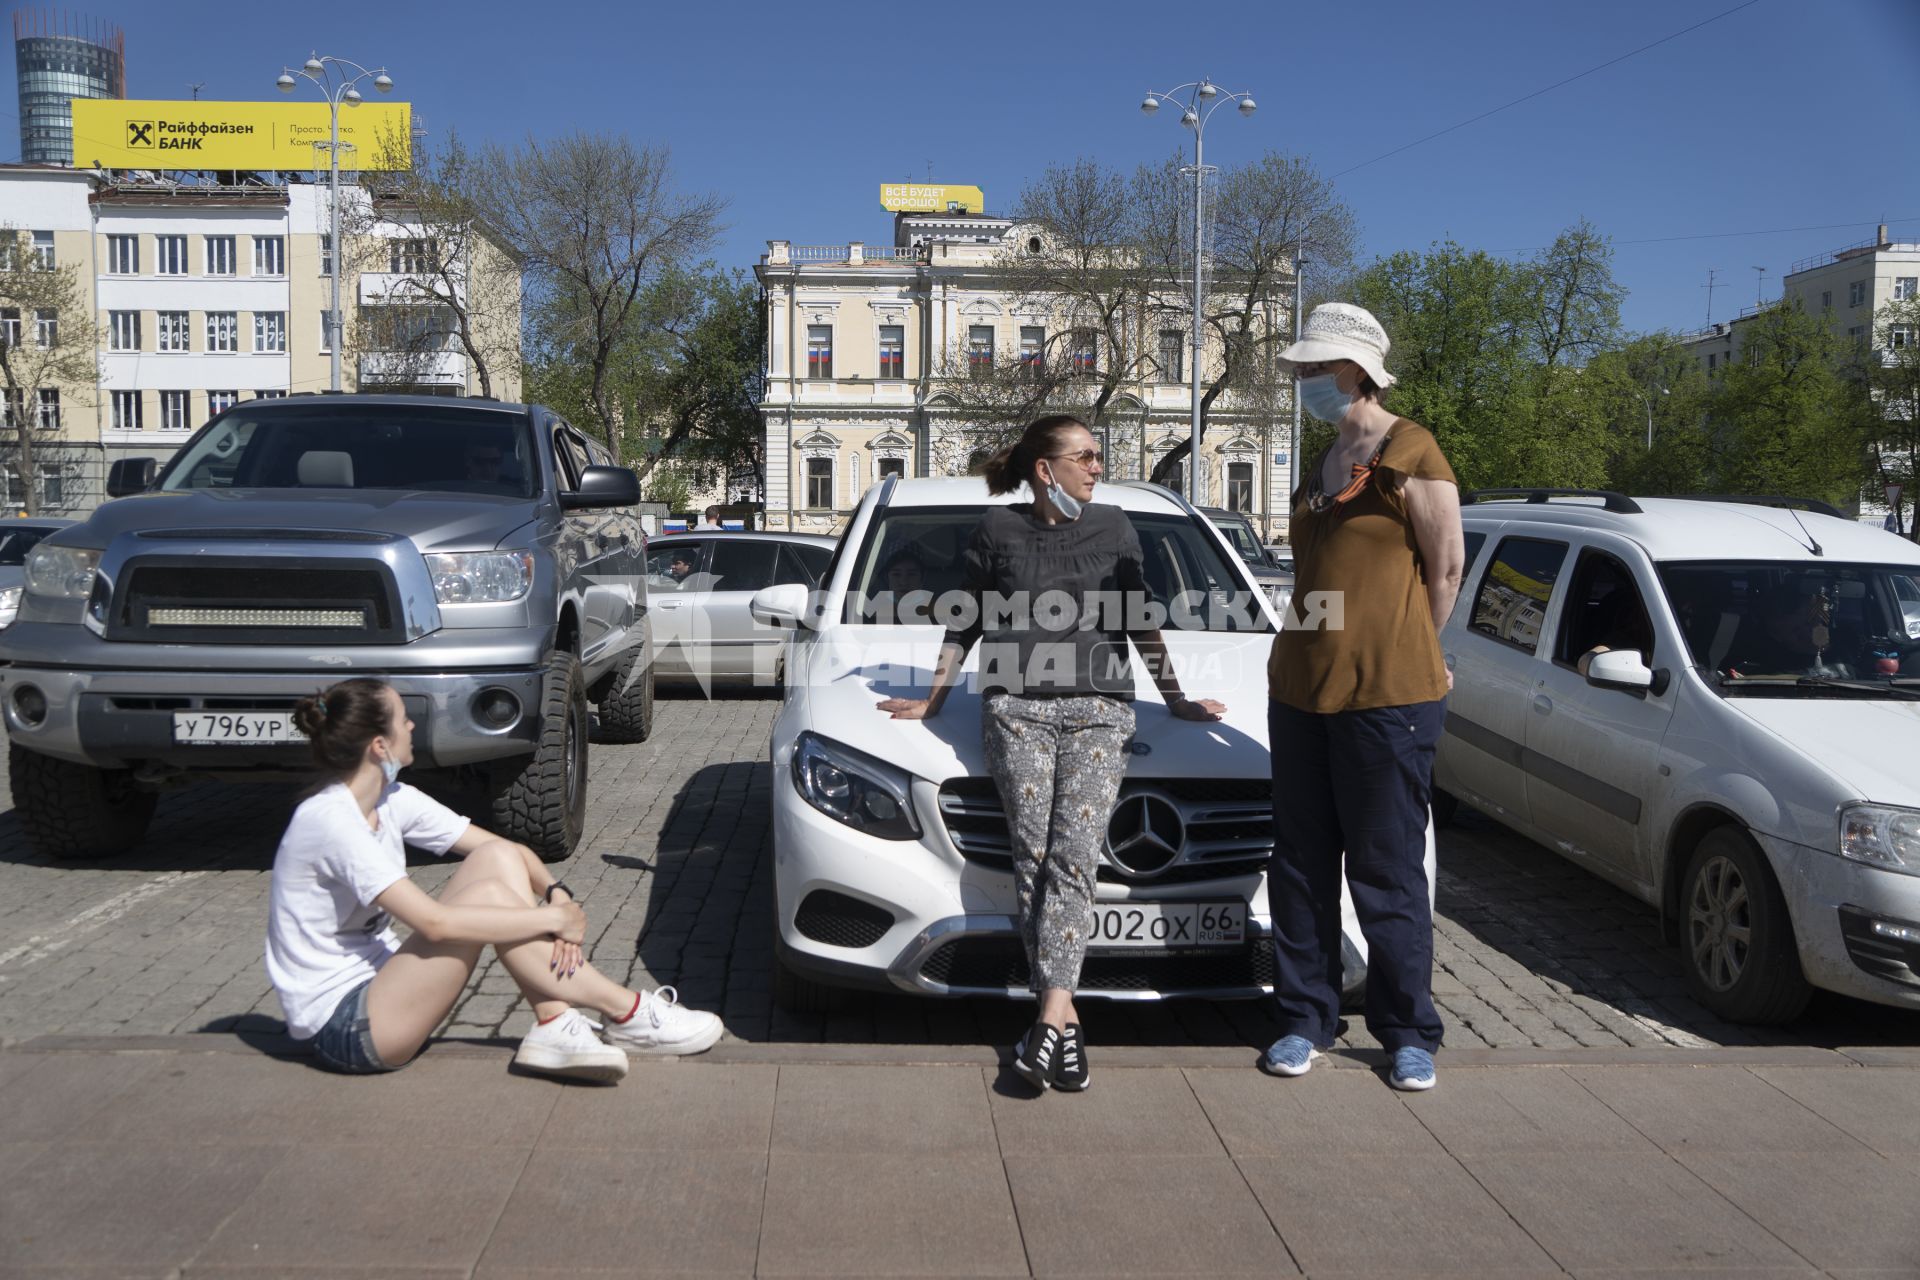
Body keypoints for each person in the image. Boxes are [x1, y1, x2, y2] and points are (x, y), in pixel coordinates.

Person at [876, 415, 1226, 1094]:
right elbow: (966, 620)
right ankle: (1060, 1022)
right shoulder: (998, 531)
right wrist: (932, 699)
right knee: (1035, 855)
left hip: (1100, 709)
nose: (1097, 467)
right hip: (1017, 709)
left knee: (1072, 853)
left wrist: (1177, 699)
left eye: (1098, 457)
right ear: (1046, 469)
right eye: (1085, 457)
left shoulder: (1116, 526)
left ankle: (1050, 1015)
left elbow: (1139, 617)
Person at [265, 677, 724, 1079]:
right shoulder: (330, 821)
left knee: (497, 859)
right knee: (486, 893)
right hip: (349, 1029)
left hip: (386, 988)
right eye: (403, 719)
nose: (410, 727)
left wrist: (557, 895)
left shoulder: (391, 798)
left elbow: (506, 851)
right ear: (379, 746)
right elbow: (436, 925)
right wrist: (550, 924)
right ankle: (627, 1012)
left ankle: (555, 1024)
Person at [1262, 303, 1466, 1093]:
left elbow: (1443, 570)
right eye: (1303, 369)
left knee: (1386, 871)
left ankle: (1408, 1031)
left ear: (1355, 371)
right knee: (1302, 866)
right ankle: (1303, 1018)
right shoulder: (1324, 457)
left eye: (1315, 368)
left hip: (1388, 697)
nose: (1304, 380)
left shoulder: (1411, 450)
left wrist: (1414, 646)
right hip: (1301, 690)